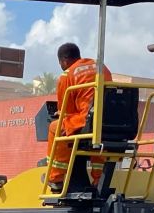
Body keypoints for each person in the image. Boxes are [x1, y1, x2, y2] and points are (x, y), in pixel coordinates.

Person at [46, 42, 112, 189]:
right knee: (98, 136)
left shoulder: (67, 74)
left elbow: (66, 111)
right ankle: (98, 179)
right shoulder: (102, 68)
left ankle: (55, 177)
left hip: (86, 120)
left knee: (54, 128)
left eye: (61, 63)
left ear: (64, 60)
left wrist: (60, 114)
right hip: (110, 121)